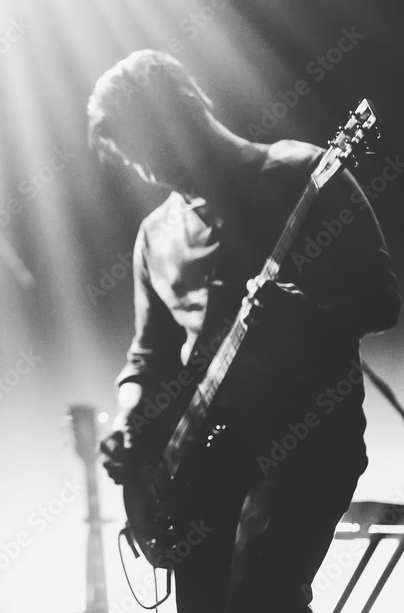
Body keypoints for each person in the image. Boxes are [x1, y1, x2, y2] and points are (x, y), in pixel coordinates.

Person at [87, 50, 400, 612]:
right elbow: (148, 358)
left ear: (183, 111)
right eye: (130, 160)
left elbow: (382, 299)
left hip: (304, 438)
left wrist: (304, 312)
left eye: (144, 146)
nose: (144, 170)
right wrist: (130, 422)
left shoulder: (303, 175)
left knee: (262, 594)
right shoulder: (154, 234)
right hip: (200, 463)